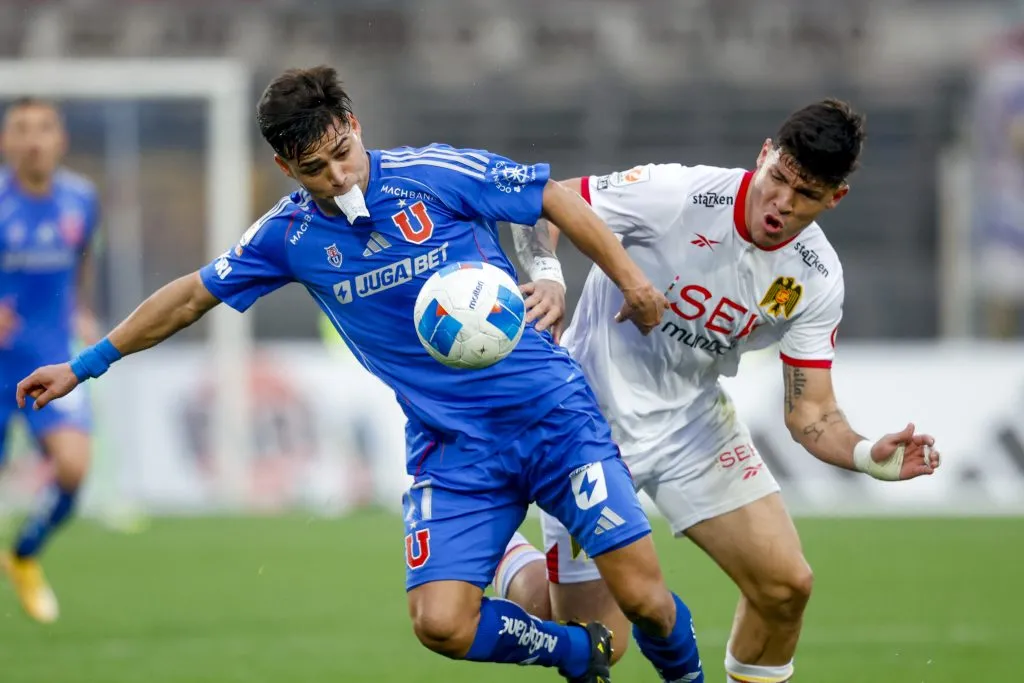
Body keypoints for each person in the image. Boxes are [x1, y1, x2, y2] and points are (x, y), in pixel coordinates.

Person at [15, 66, 705, 683]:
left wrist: (626, 281)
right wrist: (86, 365)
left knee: (644, 599)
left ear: (354, 126)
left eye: (342, 153)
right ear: (287, 168)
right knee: (442, 622)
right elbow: (192, 296)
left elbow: (546, 196)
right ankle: (576, 653)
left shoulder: (434, 173)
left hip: (552, 416)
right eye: (315, 168)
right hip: (454, 448)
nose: (338, 176)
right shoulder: (286, 237)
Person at [497, 98, 942, 683]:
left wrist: (864, 454)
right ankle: (513, 562)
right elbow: (540, 206)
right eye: (777, 178)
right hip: (587, 425)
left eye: (805, 194)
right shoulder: (677, 194)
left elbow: (810, 412)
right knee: (597, 645)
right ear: (763, 155)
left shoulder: (813, 277)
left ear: (836, 199)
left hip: (692, 428)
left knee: (786, 587)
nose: (781, 203)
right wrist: (550, 280)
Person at [0, 97, 101, 623]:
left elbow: (81, 261)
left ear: (60, 139)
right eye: (21, 129)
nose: (33, 139)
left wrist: (80, 309)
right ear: (5, 142)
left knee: (74, 466)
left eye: (43, 128)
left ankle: (23, 555)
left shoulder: (81, 199)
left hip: (49, 356)